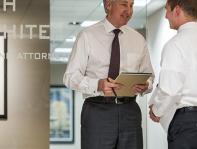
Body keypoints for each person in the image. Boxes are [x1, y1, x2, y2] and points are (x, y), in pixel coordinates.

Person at [63, 0, 154, 148]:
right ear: (108, 4)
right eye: (124, 4)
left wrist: (146, 85)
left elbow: (149, 76)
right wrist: (97, 84)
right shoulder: (87, 36)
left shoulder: (138, 40)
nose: (129, 10)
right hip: (97, 112)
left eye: (132, 5)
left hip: (130, 112)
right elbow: (70, 77)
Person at [149, 0, 197, 148]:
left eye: (167, 10)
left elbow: (170, 90)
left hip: (188, 125)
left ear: (177, 10)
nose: (166, 16)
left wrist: (156, 110)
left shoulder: (175, 45)